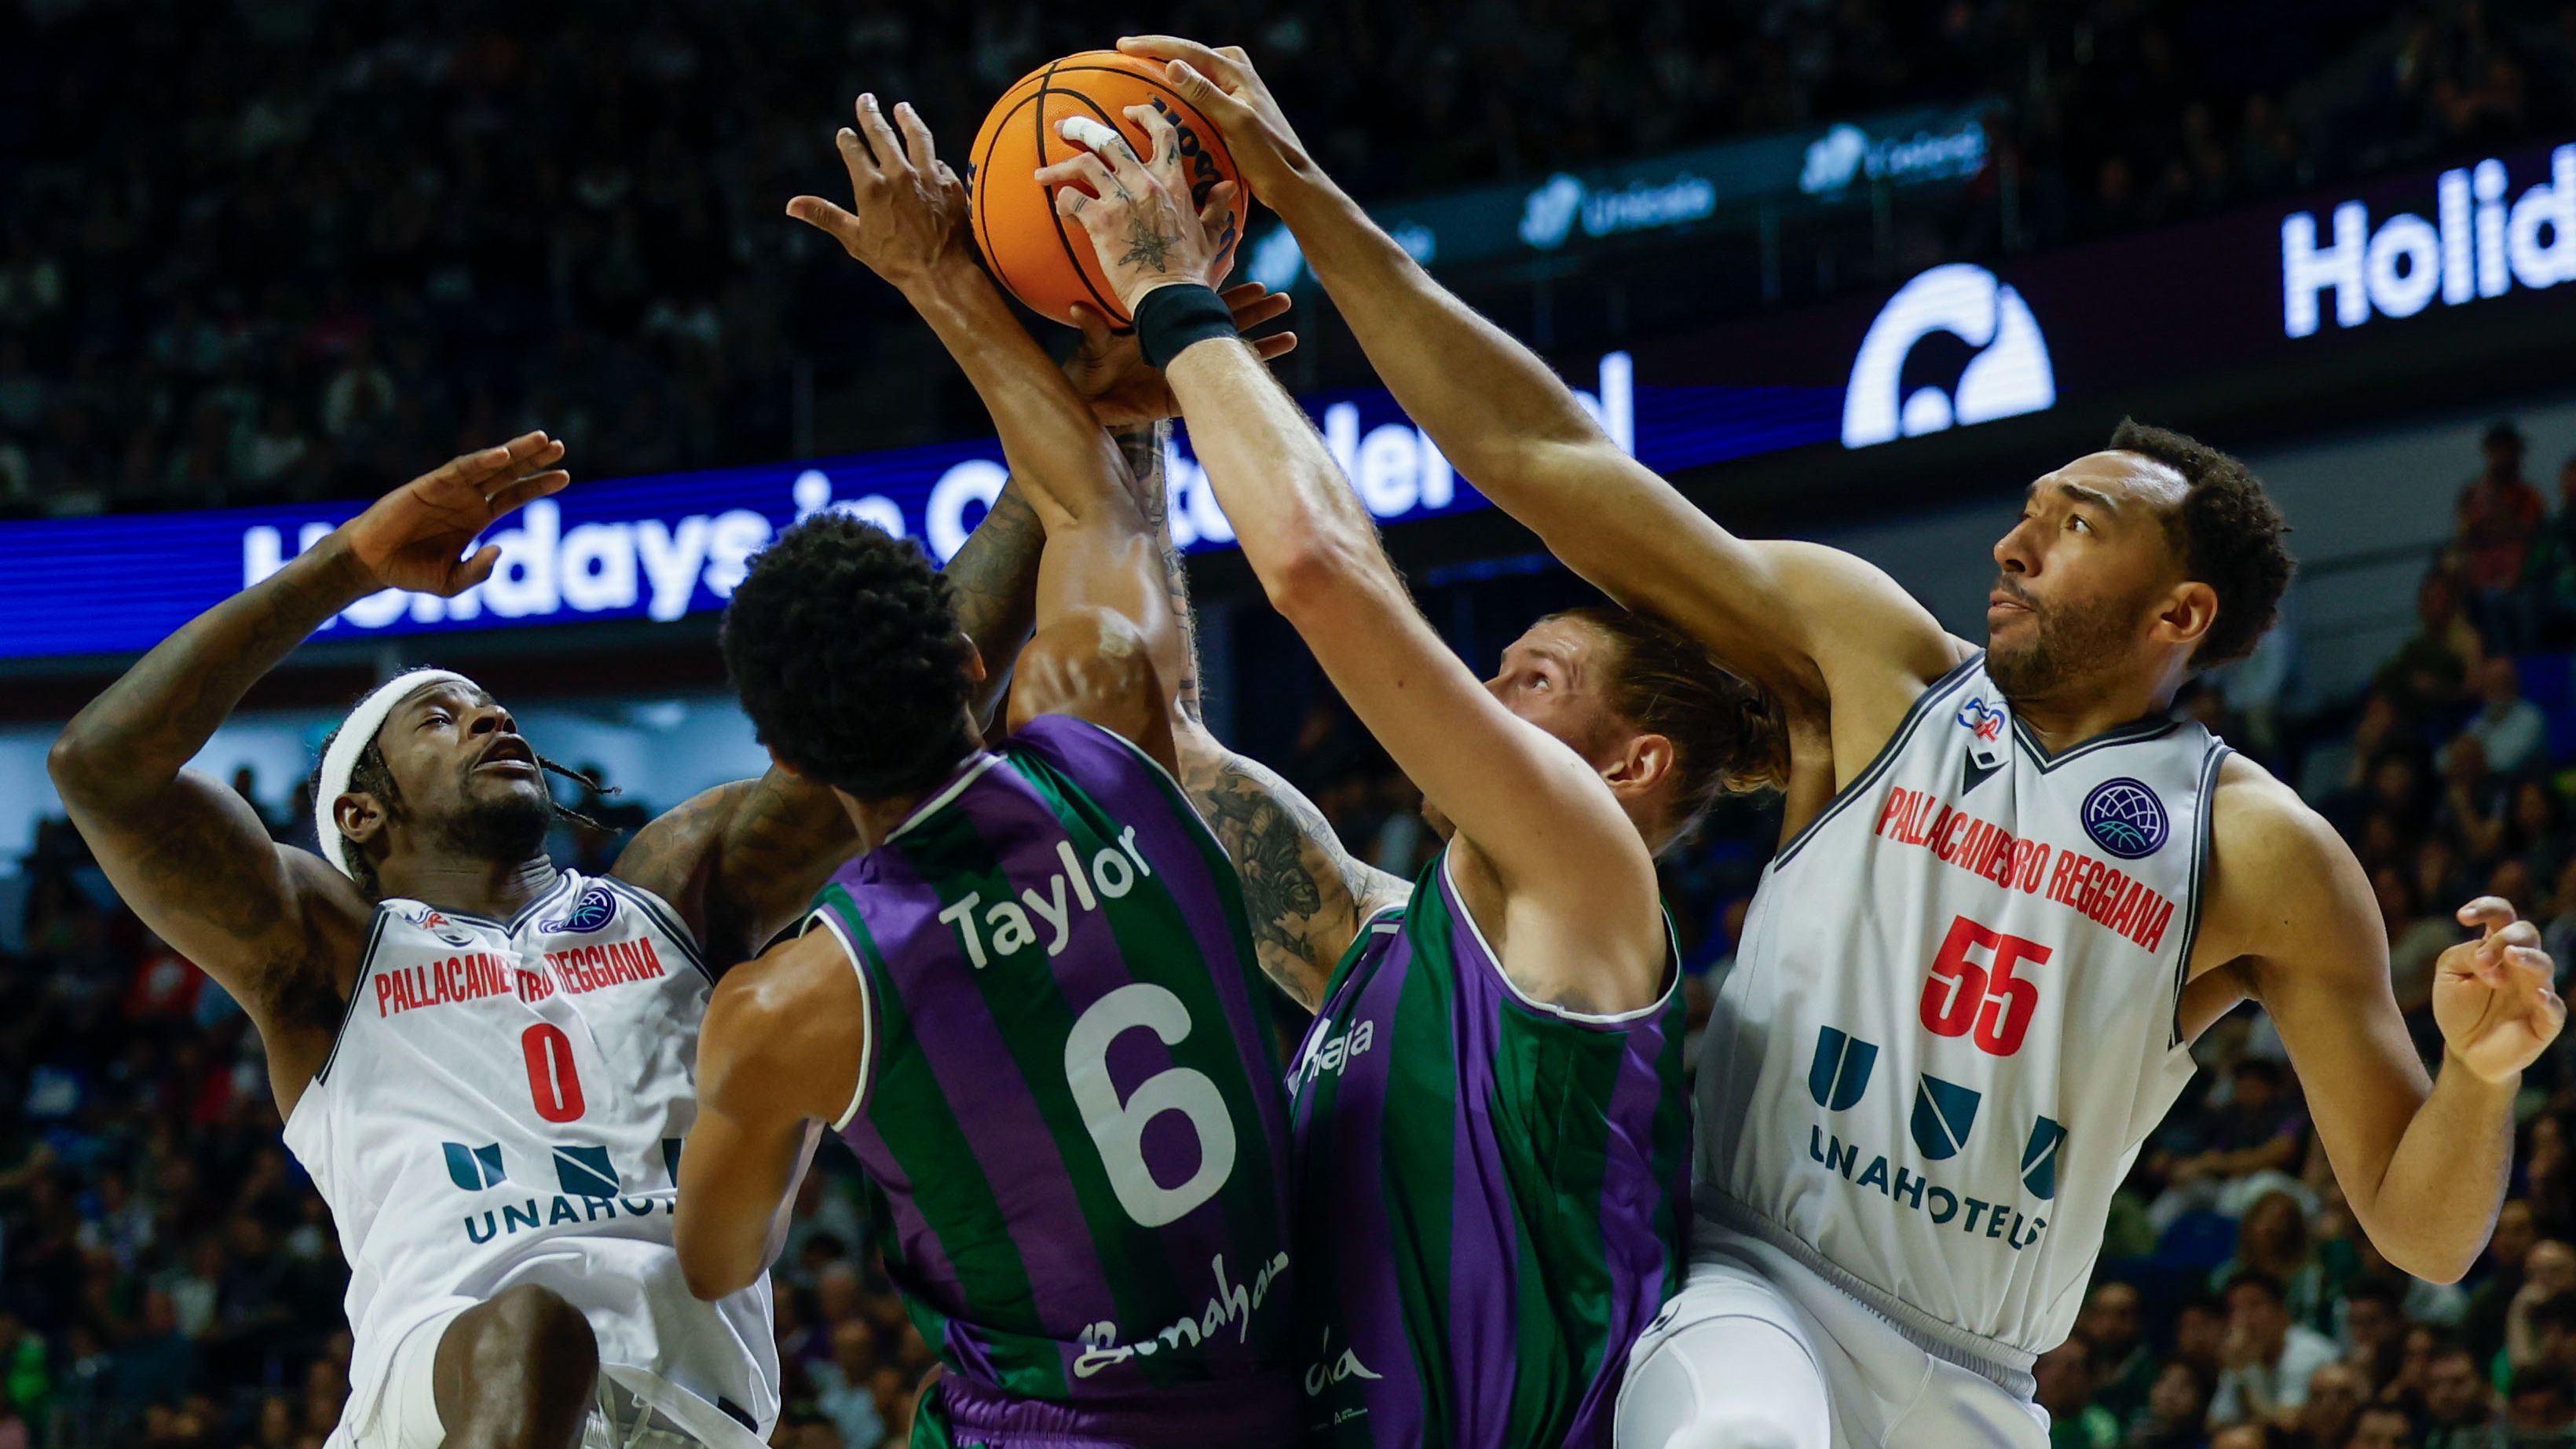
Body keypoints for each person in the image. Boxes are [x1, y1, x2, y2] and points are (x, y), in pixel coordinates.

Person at [1106, 32, 2569, 1449]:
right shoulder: (1871, 663)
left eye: (2076, 525)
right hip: (1756, 1289)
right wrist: (1306, 194)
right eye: (2029, 510)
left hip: (1986, 1381)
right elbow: (1543, 456)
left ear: (2180, 612)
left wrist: (2481, 1074)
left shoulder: (2259, 851)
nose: (2014, 543)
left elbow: (2423, 1231)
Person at [45, 426, 1050, 1449]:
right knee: (530, 1334)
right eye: (441, 719)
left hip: (692, 1421)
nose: (493, 722)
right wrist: (345, 566)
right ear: (361, 814)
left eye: (494, 709)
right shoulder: (331, 953)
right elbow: (101, 770)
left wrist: (1061, 455)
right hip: (440, 1405)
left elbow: (903, 705)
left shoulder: (674, 891)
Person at [1041, 99, 1785, 1449]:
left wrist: (1174, 298)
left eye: (1536, 678)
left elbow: (1320, 571)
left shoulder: (1588, 875)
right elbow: (1148, 742)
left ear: (1635, 764)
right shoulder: (1382, 942)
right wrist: (1136, 422)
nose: (1487, 694)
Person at [671, 96, 1302, 1449]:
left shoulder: (790, 1005)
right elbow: (1086, 501)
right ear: (969, 661)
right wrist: (939, 270)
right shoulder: (1101, 715)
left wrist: (811, 1099)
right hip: (1303, 1387)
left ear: (787, 759)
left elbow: (719, 1260)